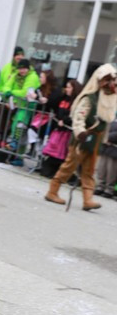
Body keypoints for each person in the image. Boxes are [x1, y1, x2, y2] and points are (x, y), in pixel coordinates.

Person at [45, 63, 117, 209]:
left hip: (95, 140)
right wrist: (80, 131)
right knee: (69, 167)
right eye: (106, 80)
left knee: (89, 170)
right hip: (83, 139)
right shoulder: (89, 97)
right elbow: (79, 116)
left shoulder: (107, 98)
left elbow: (107, 119)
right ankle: (53, 191)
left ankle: (87, 199)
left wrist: (104, 139)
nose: (109, 83)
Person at [39, 79, 82, 178]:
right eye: (66, 87)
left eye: (69, 87)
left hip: (67, 131)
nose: (67, 89)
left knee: (61, 152)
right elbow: (54, 105)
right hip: (58, 129)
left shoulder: (76, 102)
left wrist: (65, 120)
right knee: (53, 149)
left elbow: (74, 115)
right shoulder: (63, 98)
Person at [94, 118, 117, 199]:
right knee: (102, 167)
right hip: (105, 147)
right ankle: (100, 186)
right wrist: (104, 137)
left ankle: (109, 189)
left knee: (111, 170)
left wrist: (108, 137)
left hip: (114, 148)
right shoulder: (111, 118)